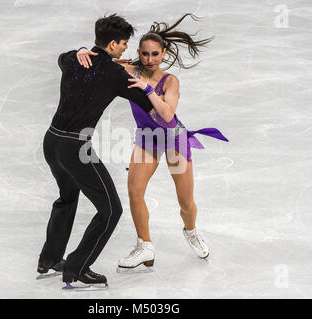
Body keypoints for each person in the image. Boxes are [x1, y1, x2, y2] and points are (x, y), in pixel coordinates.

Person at [77, 13, 228, 273]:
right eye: (145, 54)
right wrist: (82, 50)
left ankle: (191, 231)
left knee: (185, 202)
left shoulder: (171, 81)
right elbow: (101, 59)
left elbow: (168, 115)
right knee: (135, 192)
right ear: (138, 52)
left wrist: (147, 89)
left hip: (174, 140)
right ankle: (144, 245)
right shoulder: (130, 70)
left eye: (155, 54)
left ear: (163, 53)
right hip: (146, 139)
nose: (149, 60)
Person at [37, 14, 159, 290]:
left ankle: (49, 258)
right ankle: (76, 267)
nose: (126, 49)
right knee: (111, 210)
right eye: (124, 44)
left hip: (52, 141)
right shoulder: (115, 74)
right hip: (75, 148)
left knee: (67, 197)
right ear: (114, 44)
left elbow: (62, 57)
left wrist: (81, 50)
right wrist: (146, 81)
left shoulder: (73, 59)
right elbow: (149, 105)